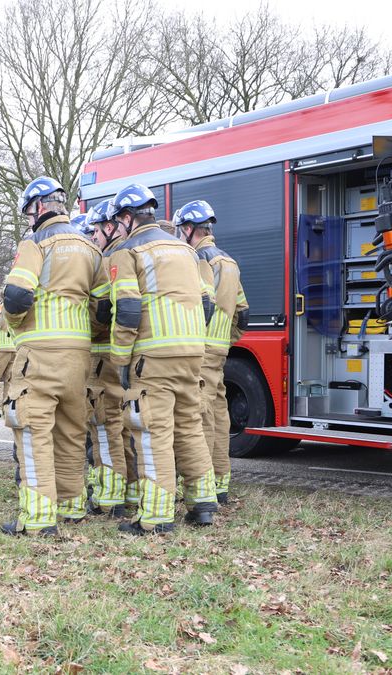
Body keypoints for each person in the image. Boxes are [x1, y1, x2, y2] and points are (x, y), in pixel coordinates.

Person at [103, 184, 218, 535]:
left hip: (152, 356)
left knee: (153, 431)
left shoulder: (127, 251)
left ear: (127, 217)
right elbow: (207, 303)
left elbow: (127, 308)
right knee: (189, 425)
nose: (116, 228)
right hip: (192, 351)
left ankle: (155, 517)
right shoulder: (186, 250)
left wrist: (120, 360)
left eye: (117, 221)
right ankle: (202, 504)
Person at [0, 175, 100, 536]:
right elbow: (104, 307)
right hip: (79, 356)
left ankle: (39, 518)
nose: (29, 219)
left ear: (39, 207)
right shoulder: (90, 248)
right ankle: (72, 507)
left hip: (40, 354)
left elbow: (16, 297)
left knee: (33, 431)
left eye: (29, 212)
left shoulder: (35, 242)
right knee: (72, 431)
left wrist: (15, 324)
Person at [174, 199, 249, 505]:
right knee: (219, 416)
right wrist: (225, 341)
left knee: (199, 419)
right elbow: (242, 313)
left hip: (199, 349)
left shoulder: (197, 259)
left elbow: (197, 304)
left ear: (190, 228)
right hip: (218, 351)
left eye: (181, 229)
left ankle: (201, 488)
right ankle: (219, 483)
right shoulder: (229, 262)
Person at [84, 200, 130, 517]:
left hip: (104, 355)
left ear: (110, 227)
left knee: (105, 425)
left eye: (96, 231)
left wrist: (83, 328)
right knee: (123, 427)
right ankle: (128, 492)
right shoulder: (131, 253)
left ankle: (111, 498)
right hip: (123, 356)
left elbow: (103, 311)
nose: (93, 237)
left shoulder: (111, 258)